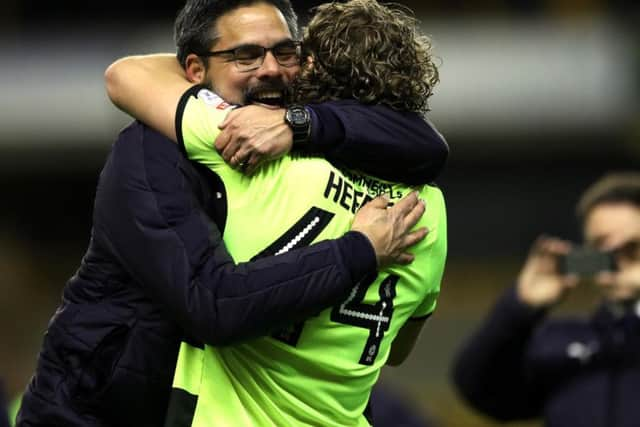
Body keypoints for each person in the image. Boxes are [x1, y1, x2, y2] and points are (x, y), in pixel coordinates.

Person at [17, 1, 448, 426]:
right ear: (195, 71)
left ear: (310, 66)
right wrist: (358, 250)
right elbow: (213, 304)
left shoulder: (294, 155)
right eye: (246, 55)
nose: (272, 69)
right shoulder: (156, 148)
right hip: (94, 411)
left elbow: (427, 145)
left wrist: (302, 122)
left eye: (286, 52)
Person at [452, 172, 640, 427]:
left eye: (631, 248)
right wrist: (519, 307)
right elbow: (479, 390)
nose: (616, 259)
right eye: (603, 247)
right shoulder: (561, 344)